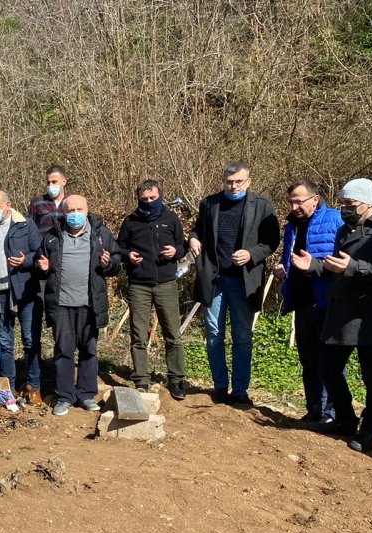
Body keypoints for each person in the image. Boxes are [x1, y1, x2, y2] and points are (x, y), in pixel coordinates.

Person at [291, 178, 372, 452]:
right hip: (341, 311)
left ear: (368, 203)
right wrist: (314, 266)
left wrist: (353, 267)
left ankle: (369, 429)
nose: (344, 208)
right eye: (343, 203)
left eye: (350, 204)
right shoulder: (345, 229)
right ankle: (345, 419)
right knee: (327, 368)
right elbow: (336, 267)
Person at [189, 162, 280, 405]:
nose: (233, 186)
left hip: (244, 280)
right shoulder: (210, 203)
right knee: (214, 335)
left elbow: (271, 241)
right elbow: (198, 230)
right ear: (223, 181)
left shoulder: (262, 206)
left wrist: (252, 254)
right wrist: (193, 239)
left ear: (249, 181)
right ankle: (220, 386)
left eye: (239, 182)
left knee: (242, 336)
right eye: (229, 182)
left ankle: (240, 390)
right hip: (215, 278)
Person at [38, 195, 120, 416]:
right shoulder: (53, 236)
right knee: (63, 352)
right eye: (70, 210)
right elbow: (40, 262)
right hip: (62, 303)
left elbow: (116, 261)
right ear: (63, 213)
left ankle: (86, 394)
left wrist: (108, 263)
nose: (74, 214)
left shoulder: (100, 234)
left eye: (78, 209)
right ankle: (65, 396)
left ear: (87, 209)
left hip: (89, 303)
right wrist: (42, 267)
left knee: (89, 351)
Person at [272, 181, 345, 424]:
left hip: (328, 301)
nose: (294, 206)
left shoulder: (336, 220)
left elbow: (345, 262)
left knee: (330, 361)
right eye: (291, 202)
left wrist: (315, 265)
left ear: (315, 199)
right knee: (309, 360)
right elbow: (292, 259)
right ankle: (314, 410)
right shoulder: (291, 227)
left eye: (299, 201)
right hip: (301, 301)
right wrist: (284, 270)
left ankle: (334, 414)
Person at [117, 180, 188, 400]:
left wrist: (175, 251)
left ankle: (176, 379)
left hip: (166, 283)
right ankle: (141, 379)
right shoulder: (130, 221)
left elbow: (183, 245)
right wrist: (128, 255)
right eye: (144, 199)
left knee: (172, 334)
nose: (148, 202)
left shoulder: (170, 219)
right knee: (138, 334)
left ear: (160, 196)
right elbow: (119, 247)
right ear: (138, 198)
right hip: (139, 285)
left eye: (152, 198)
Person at [0, 190, 44, 404]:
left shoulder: (26, 225)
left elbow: (39, 254)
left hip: (25, 292)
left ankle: (34, 386)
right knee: (5, 343)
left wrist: (26, 261)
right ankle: (9, 388)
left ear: (8, 205)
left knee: (31, 340)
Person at [27, 165, 68, 238]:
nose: (50, 185)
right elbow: (29, 227)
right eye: (48, 182)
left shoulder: (71, 202)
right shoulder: (37, 202)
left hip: (66, 246)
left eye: (54, 182)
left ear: (64, 182)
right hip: (42, 247)